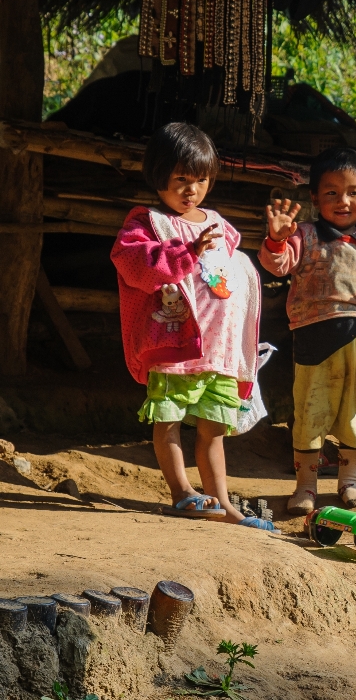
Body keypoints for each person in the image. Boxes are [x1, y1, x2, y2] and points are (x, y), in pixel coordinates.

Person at [111, 122, 275, 532]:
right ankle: (182, 492)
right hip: (174, 343)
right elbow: (133, 266)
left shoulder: (219, 225)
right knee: (167, 419)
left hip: (219, 349)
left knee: (214, 430)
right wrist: (184, 251)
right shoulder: (146, 223)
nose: (191, 190)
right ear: (158, 175)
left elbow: (232, 271)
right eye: (181, 179)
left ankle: (222, 503)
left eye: (200, 180)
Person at [259, 147, 356, 513]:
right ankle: (305, 487)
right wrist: (276, 239)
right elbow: (278, 265)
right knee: (311, 412)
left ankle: (349, 482)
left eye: (353, 192)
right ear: (314, 197)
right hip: (315, 341)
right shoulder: (305, 236)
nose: (343, 201)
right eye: (331, 193)